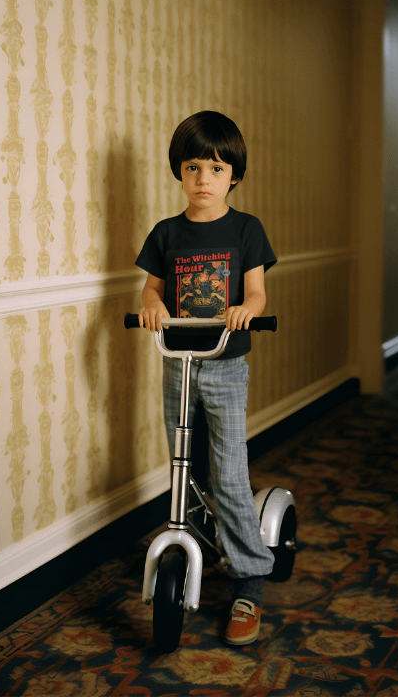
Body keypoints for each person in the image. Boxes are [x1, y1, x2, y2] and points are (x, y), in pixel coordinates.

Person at [135, 110, 276, 645]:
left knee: (229, 473)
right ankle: (197, 546)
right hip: (179, 362)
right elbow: (152, 290)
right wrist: (150, 305)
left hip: (224, 365)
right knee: (182, 464)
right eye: (192, 167)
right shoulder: (166, 233)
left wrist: (246, 308)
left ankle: (249, 580)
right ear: (179, 172)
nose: (202, 179)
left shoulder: (246, 229)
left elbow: (257, 293)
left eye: (215, 169)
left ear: (232, 175)